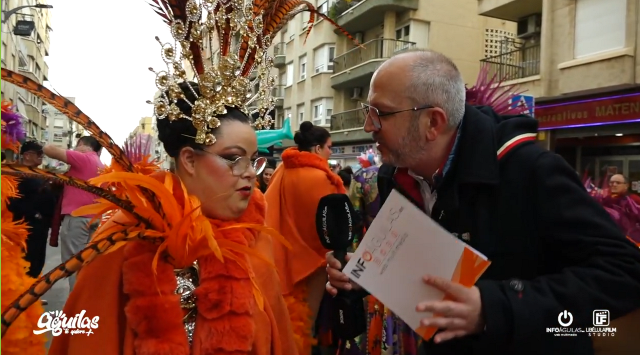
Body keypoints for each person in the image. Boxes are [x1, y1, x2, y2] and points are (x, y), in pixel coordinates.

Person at [325, 49, 640, 355]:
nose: (368, 126)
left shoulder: (531, 171)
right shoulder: (395, 175)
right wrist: (367, 272)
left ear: (433, 122)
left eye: (380, 113)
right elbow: (432, 266)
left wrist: (493, 307)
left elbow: (625, 271)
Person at [265, 121, 346, 355]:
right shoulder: (323, 179)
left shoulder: (282, 170)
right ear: (318, 149)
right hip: (312, 265)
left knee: (283, 326)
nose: (331, 152)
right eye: (329, 147)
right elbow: (335, 230)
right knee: (305, 327)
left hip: (278, 258)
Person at [43, 135, 104, 291]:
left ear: (82, 144)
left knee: (73, 265)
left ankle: (76, 307)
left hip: (78, 219)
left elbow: (48, 149)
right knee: (87, 265)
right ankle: (86, 303)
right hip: (94, 218)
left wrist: (76, 150)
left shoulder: (84, 158)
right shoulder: (100, 164)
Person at [8, 141, 58, 279]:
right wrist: (35, 215)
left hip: (40, 228)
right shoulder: (18, 174)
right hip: (27, 227)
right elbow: (13, 202)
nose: (42, 158)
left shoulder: (37, 173)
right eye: (39, 154)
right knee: (28, 262)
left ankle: (31, 295)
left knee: (37, 262)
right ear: (27, 155)